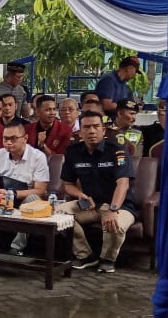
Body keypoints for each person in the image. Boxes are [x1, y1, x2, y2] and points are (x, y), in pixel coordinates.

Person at [59, 111, 137, 273]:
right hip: (91, 205)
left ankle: (107, 260)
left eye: (96, 126)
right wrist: (80, 195)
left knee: (115, 223)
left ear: (103, 130)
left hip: (120, 206)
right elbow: (68, 184)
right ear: (80, 132)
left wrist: (112, 209)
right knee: (58, 214)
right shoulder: (73, 152)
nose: (92, 131)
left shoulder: (117, 150)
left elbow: (123, 184)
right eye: (87, 127)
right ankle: (85, 255)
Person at [0, 121, 49, 256]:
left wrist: (13, 193)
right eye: (5, 139)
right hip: (3, 198)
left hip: (24, 198)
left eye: (13, 139)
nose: (9, 143)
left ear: (25, 138)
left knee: (34, 198)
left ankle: (17, 247)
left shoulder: (38, 156)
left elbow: (40, 190)